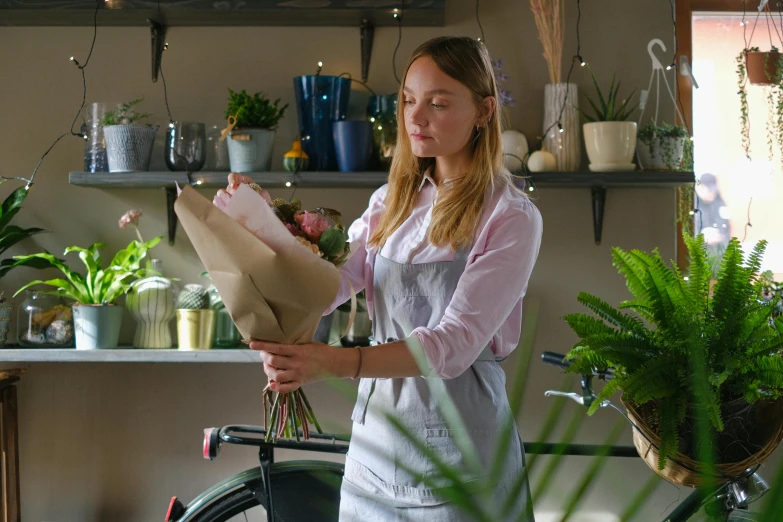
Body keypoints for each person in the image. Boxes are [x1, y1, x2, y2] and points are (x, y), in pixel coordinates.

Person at [214, 36, 542, 521]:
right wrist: (262, 226)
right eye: (409, 100)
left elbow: (453, 345)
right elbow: (333, 283)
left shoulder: (511, 216)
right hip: (374, 453)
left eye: (438, 102)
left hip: (460, 461)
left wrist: (332, 363)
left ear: (484, 110)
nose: (416, 117)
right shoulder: (392, 200)